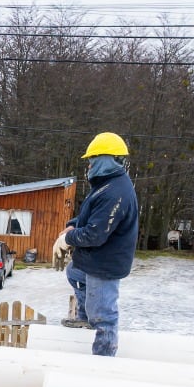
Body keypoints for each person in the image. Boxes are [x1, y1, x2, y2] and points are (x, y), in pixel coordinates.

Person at [52, 132, 139, 356]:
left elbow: (95, 234)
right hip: (96, 259)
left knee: (104, 315)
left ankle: (103, 357)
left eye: (92, 160)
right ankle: (84, 317)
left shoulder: (115, 192)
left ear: (105, 159)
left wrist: (67, 239)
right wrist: (72, 226)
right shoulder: (106, 184)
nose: (88, 165)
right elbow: (91, 217)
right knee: (74, 273)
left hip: (105, 265)